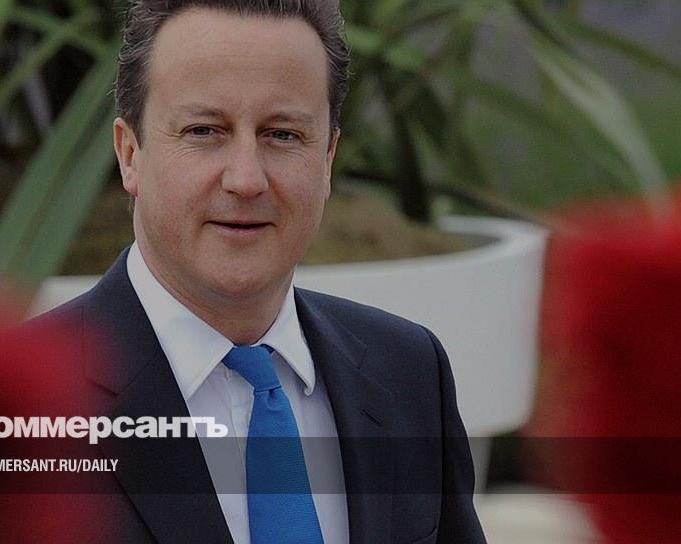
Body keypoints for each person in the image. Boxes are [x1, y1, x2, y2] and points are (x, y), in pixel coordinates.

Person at [29, 0, 487, 542]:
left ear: (327, 161)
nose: (245, 180)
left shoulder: (409, 372)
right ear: (130, 154)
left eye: (282, 135)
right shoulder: (14, 407)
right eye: (204, 131)